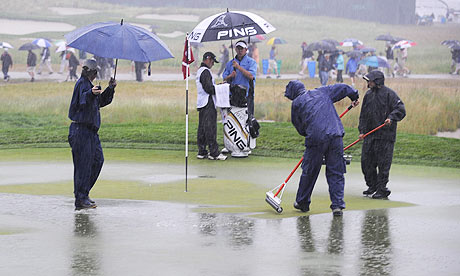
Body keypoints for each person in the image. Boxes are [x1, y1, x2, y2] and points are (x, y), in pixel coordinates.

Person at [284, 80, 359, 216]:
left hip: (316, 138)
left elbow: (299, 126)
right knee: (336, 171)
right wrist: (354, 97)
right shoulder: (322, 91)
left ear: (292, 94)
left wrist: (309, 133)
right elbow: (344, 88)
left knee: (310, 170)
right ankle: (337, 205)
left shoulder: (296, 103)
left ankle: (302, 202)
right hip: (335, 136)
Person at [68, 59, 117, 210]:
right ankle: (81, 199)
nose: (95, 74)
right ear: (92, 72)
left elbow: (100, 102)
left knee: (97, 160)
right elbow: (79, 102)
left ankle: (83, 193)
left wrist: (110, 88)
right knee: (83, 166)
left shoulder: (89, 85)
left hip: (91, 132)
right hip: (80, 130)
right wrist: (90, 93)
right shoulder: (81, 84)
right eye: (94, 72)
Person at [359, 71, 406, 199]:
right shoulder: (368, 95)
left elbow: (401, 109)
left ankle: (382, 189)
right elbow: (363, 115)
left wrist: (391, 117)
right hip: (369, 135)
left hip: (385, 136)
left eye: (370, 81)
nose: (368, 83)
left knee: (383, 164)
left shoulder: (390, 94)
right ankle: (372, 186)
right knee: (366, 163)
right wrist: (362, 131)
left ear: (377, 81)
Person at [196, 52, 227, 161]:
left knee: (203, 128)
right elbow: (209, 88)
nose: (213, 64)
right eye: (212, 61)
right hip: (207, 102)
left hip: (202, 102)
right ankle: (214, 153)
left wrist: (217, 86)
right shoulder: (205, 72)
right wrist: (221, 89)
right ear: (208, 59)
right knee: (210, 128)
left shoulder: (200, 71)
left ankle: (202, 151)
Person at [223, 40, 257, 116]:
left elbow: (251, 76)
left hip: (247, 95)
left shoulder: (251, 62)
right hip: (233, 96)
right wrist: (230, 76)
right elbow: (224, 79)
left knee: (248, 120)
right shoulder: (230, 63)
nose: (240, 50)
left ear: (246, 50)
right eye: (238, 48)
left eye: (242, 48)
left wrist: (238, 67)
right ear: (235, 49)